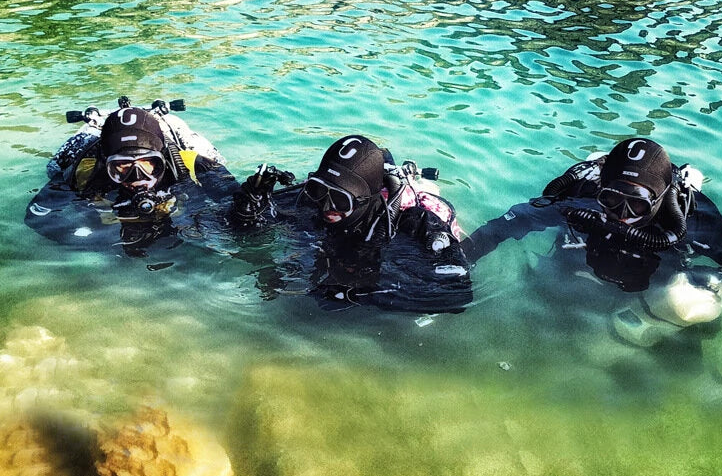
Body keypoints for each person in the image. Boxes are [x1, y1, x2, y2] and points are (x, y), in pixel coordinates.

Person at [462, 137, 722, 378]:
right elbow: (509, 223)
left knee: (683, 366)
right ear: (600, 190)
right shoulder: (582, 196)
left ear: (660, 199)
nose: (623, 216)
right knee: (532, 335)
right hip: (577, 274)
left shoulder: (695, 218)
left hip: (653, 287)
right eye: (611, 200)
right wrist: (460, 259)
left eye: (636, 204)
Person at [230, 134, 472, 312]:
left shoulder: (413, 224)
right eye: (319, 190)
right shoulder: (311, 202)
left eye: (339, 200)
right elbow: (239, 233)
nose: (326, 206)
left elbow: (457, 295)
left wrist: (360, 293)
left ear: (366, 199)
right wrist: (247, 210)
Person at [25, 97, 239, 255]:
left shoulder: (189, 162)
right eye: (122, 165)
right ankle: (96, 124)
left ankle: (158, 122)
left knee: (209, 154)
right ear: (106, 164)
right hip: (96, 150)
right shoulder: (86, 170)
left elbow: (232, 198)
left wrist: (246, 207)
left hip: (167, 140)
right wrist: (99, 240)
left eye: (148, 164)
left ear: (162, 159)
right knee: (55, 167)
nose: (138, 176)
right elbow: (38, 217)